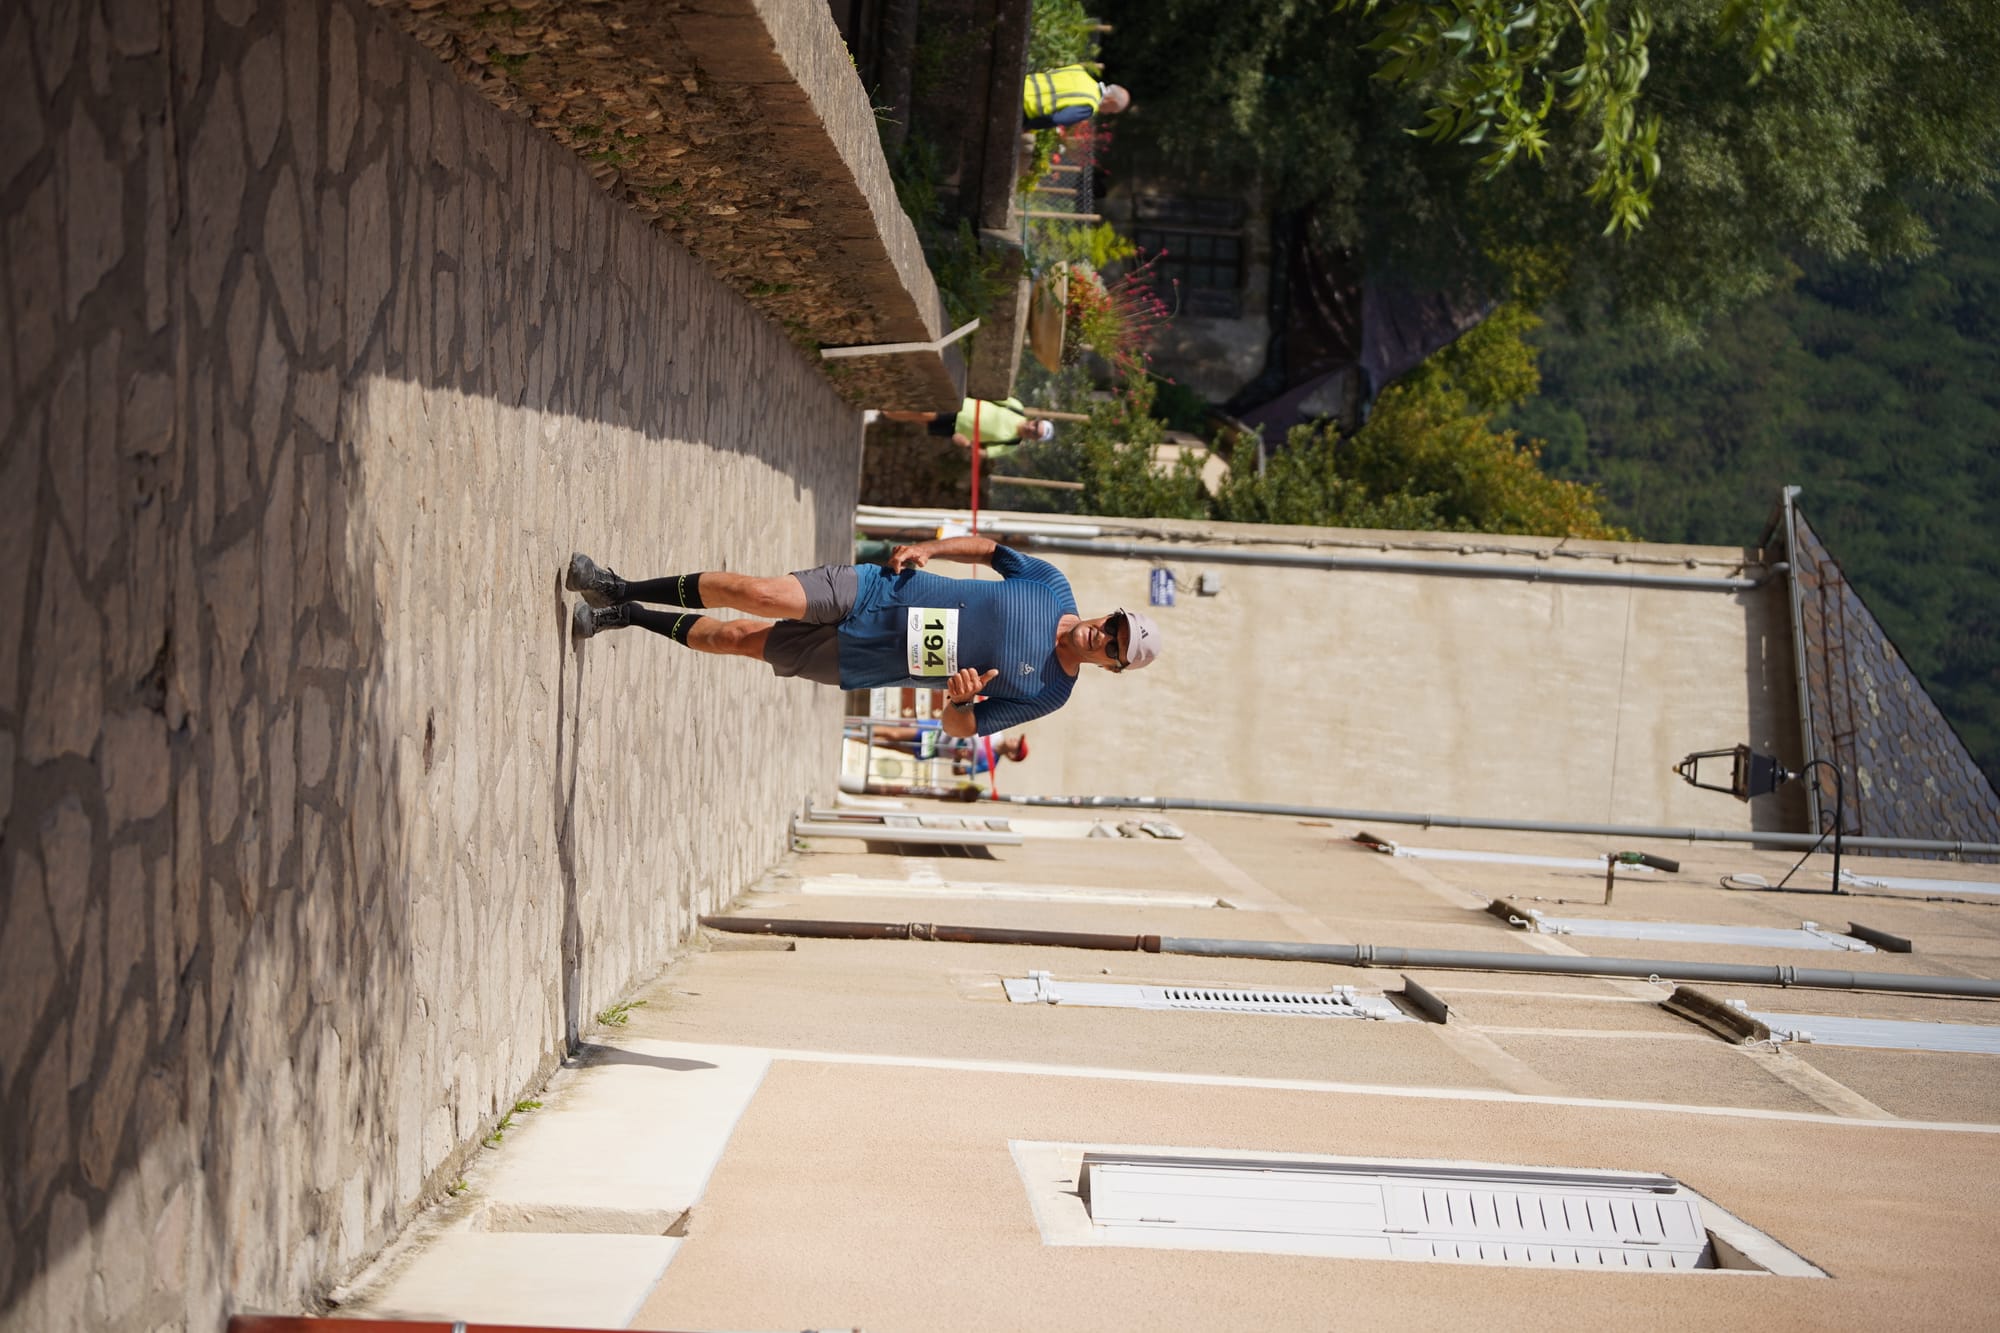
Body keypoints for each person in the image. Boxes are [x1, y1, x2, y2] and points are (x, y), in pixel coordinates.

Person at [566, 537, 1161, 737]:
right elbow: (989, 550)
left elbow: (963, 729)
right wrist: (929, 548)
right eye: (1114, 624)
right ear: (1108, 614)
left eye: (1115, 648)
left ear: (1110, 667)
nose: (1104, 636)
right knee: (761, 595)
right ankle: (618, 587)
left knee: (740, 639)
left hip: (868, 659)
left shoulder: (1050, 693)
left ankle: (632, 617)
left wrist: (955, 701)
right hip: (881, 592)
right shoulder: (1051, 586)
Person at [874, 397, 1055, 456]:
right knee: (924, 414)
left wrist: (967, 444)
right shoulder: (1016, 407)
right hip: (961, 406)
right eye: (1036, 425)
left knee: (920, 419)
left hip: (958, 430)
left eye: (1035, 434)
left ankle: (887, 409)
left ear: (1034, 439)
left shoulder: (1012, 444)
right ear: (1035, 419)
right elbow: (991, 396)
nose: (1032, 429)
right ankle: (884, 409)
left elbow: (985, 453)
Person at [1023, 65, 1130, 130]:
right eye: (1111, 111)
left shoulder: (1078, 70)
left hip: (1020, 83)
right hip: (1023, 109)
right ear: (1111, 102)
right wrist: (1027, 126)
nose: (1106, 113)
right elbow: (1057, 119)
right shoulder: (1089, 105)